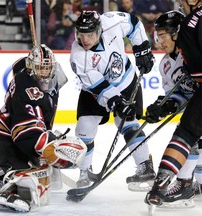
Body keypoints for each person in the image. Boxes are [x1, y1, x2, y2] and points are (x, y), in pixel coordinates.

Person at [0, 44, 87, 212]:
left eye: (47, 67)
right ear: (31, 67)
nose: (44, 72)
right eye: (39, 67)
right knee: (28, 172)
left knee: (39, 167)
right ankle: (12, 191)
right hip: (3, 138)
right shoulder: (29, 91)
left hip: (11, 135)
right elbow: (23, 134)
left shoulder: (29, 76)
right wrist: (48, 145)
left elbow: (18, 65)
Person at [69, 10, 155, 190]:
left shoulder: (111, 22)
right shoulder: (78, 56)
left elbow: (133, 22)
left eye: (90, 35)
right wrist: (116, 102)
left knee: (128, 123)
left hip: (126, 81)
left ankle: (144, 166)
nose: (84, 40)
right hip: (94, 91)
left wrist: (142, 49)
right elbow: (99, 88)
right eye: (81, 35)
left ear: (99, 30)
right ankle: (84, 171)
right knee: (85, 127)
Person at [145, 0, 202, 207]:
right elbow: (177, 94)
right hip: (197, 111)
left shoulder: (192, 49)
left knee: (189, 135)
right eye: (157, 36)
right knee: (191, 135)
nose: (159, 41)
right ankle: (190, 184)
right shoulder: (166, 64)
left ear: (176, 33)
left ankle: (185, 183)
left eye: (162, 35)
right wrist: (165, 105)